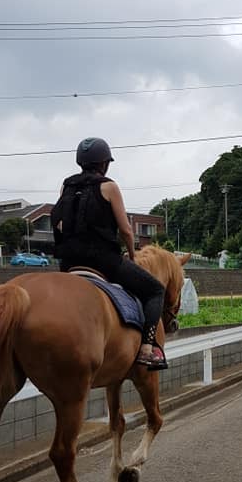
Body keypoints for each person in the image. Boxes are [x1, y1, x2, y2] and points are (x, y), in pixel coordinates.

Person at [51, 137, 168, 369]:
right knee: (156, 290)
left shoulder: (66, 186)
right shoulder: (109, 186)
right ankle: (147, 347)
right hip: (102, 260)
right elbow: (125, 229)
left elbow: (61, 222)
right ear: (104, 163)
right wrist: (133, 256)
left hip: (68, 261)